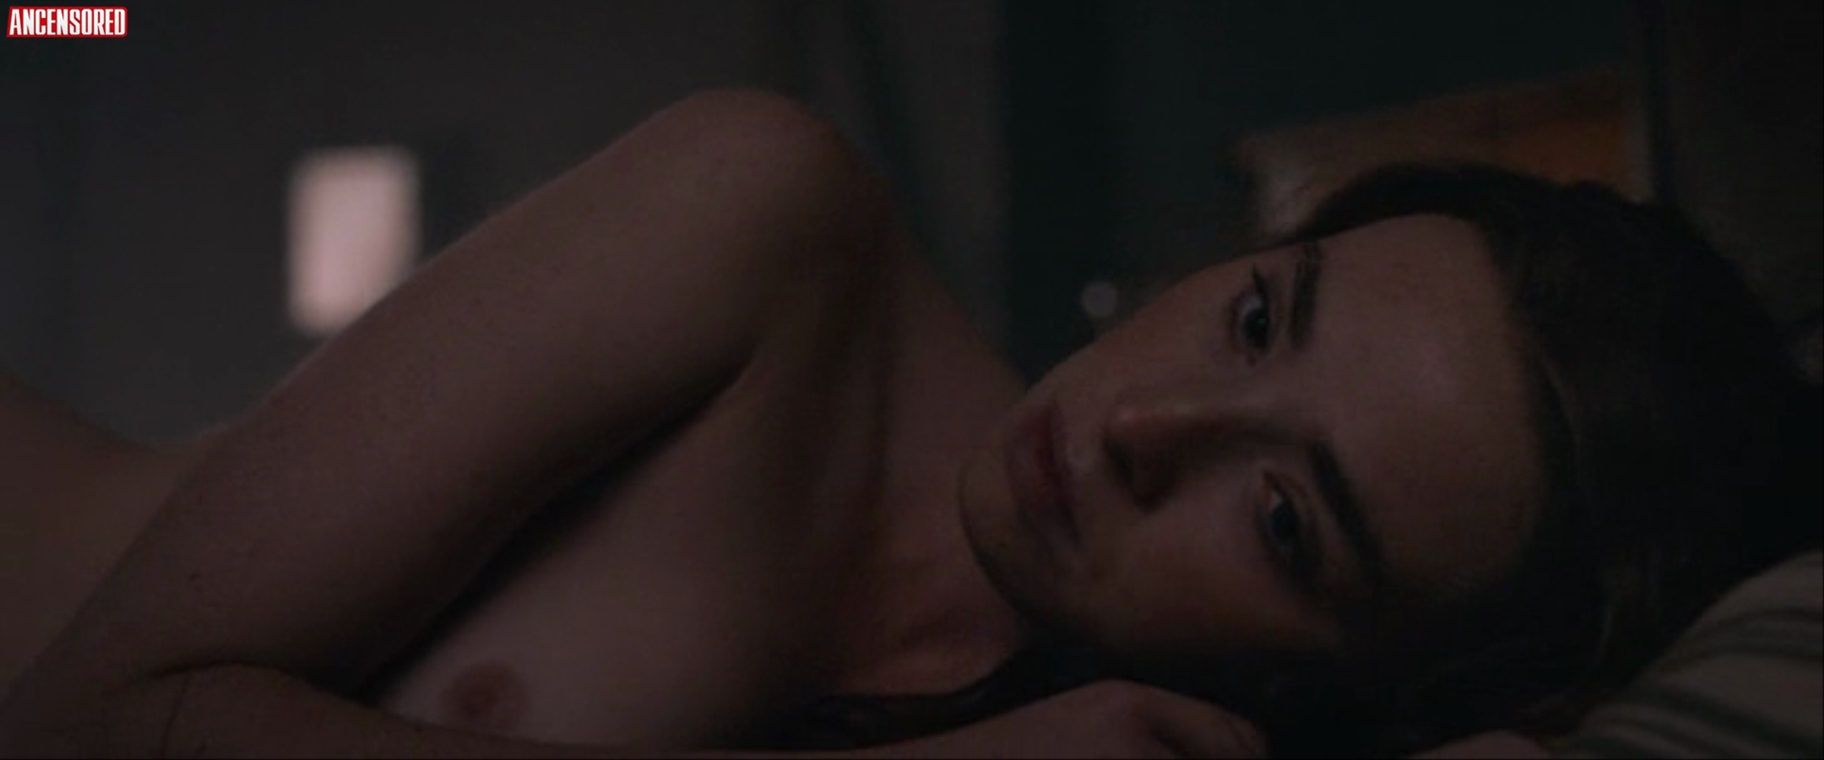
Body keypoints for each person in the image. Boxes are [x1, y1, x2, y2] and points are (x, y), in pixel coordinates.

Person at [0, 89, 1816, 758]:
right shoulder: (764, 227)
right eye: (1261, 314)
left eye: (1285, 524)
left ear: (1368, 691)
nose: (1150, 421)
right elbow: (94, 724)